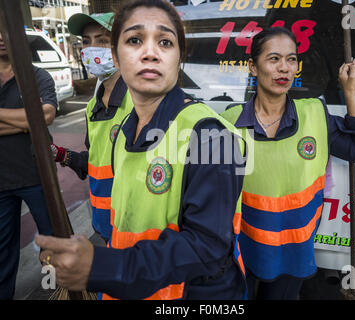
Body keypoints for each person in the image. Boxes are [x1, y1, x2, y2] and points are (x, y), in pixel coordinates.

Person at [36, 0, 247, 300]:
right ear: (116, 58)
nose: (150, 53)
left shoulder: (212, 136)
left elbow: (208, 249)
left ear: (179, 58)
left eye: (165, 42)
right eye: (134, 40)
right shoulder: (123, 132)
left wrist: (103, 268)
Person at [220, 27, 355, 300]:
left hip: (292, 256)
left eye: (291, 60)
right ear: (253, 67)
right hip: (240, 251)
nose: (284, 69)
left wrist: (350, 93)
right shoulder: (229, 122)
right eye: (274, 59)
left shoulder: (314, 114)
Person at [51, 12, 133, 244]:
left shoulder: (140, 102)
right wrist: (62, 155)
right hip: (104, 223)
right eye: (86, 41)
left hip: (135, 229)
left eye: (102, 40)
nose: (92, 48)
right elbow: (97, 160)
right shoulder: (92, 107)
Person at [0, 31, 57, 299]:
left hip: (38, 176)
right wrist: (24, 122)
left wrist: (31, 121)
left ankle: (54, 289)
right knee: (2, 250)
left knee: (52, 242)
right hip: (1, 182)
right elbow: (33, 118)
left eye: (5, 30)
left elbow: (44, 115)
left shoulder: (37, 76)